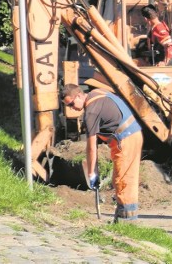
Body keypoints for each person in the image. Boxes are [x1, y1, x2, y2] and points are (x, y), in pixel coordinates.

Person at [61, 84, 144, 222]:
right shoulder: (97, 92)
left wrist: (91, 173)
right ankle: (122, 217)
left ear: (79, 95)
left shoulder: (91, 113)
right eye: (68, 105)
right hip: (130, 134)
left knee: (123, 180)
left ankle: (127, 221)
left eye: (71, 103)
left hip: (125, 138)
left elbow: (92, 147)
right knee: (121, 177)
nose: (71, 108)